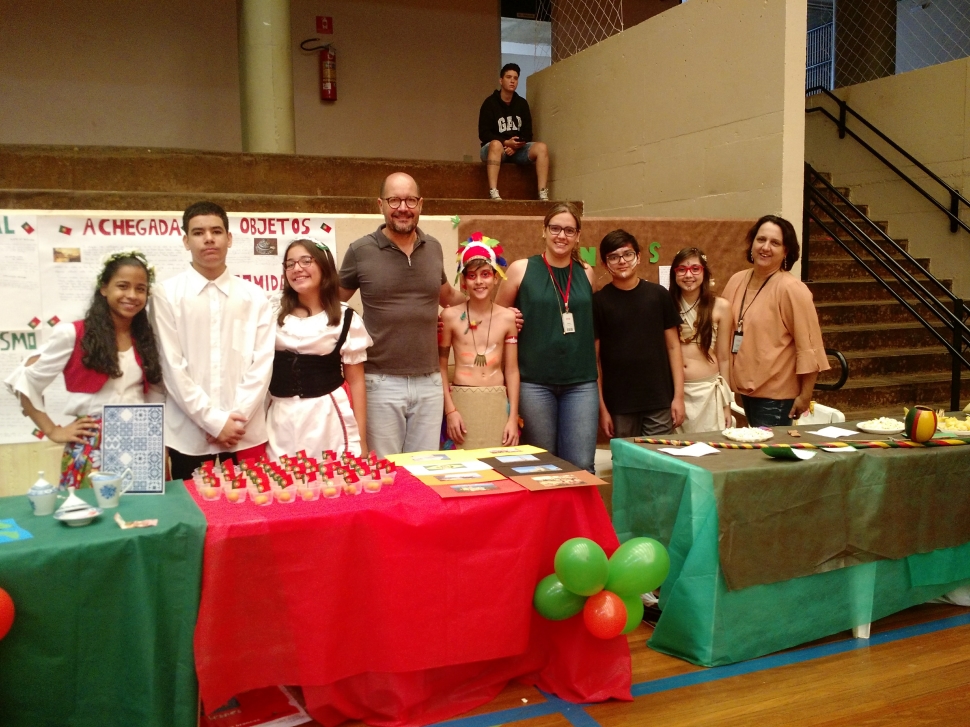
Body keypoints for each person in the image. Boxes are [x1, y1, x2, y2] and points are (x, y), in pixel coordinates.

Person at [5, 250, 163, 489]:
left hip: (139, 439)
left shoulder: (145, 337)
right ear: (103, 288)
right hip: (91, 444)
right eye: (122, 286)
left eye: (140, 289)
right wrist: (53, 430)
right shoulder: (73, 333)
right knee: (92, 519)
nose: (132, 295)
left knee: (139, 518)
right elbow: (24, 380)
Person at [339, 172, 466, 457]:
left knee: (425, 474)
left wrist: (493, 305)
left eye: (410, 200)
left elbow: (448, 296)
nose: (403, 207)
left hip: (430, 382)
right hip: (380, 382)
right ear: (380, 205)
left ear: (420, 204)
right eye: (394, 200)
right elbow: (333, 303)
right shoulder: (360, 251)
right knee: (387, 473)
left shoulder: (432, 247)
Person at [151, 201, 275, 481]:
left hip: (244, 433)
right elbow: (171, 366)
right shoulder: (166, 295)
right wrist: (214, 422)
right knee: (194, 515)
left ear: (229, 238)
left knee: (250, 514)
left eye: (216, 231)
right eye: (198, 232)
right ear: (185, 240)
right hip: (190, 434)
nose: (208, 238)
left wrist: (233, 421)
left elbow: (263, 363)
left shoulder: (255, 296)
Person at [495, 202, 598, 472]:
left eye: (568, 230)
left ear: (577, 236)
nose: (561, 236)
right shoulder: (521, 269)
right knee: (542, 465)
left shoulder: (587, 273)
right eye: (555, 228)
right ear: (544, 231)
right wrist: (509, 318)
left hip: (580, 383)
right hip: (534, 383)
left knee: (582, 464)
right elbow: (496, 318)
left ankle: (580, 516)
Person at [267, 237, 373, 461]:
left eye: (306, 261)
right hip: (280, 415)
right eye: (290, 263)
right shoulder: (271, 310)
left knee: (328, 484)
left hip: (326, 417)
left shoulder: (345, 318)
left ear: (324, 268)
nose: (297, 269)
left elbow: (356, 381)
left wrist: (361, 440)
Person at [722, 214, 829, 427]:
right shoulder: (736, 280)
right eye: (761, 239)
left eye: (775, 243)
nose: (765, 247)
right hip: (744, 390)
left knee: (766, 455)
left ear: (786, 251)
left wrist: (805, 396)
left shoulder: (791, 289)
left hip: (776, 397)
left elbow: (809, 347)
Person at [594, 230, 685, 438]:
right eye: (613, 257)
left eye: (627, 254)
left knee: (660, 461)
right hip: (619, 405)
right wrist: (602, 409)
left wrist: (678, 397)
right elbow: (594, 359)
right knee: (628, 463)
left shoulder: (658, 295)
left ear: (638, 257)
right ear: (605, 263)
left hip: (659, 400)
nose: (622, 261)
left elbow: (673, 346)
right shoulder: (598, 302)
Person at [439, 236, 520, 448]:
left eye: (485, 274)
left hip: (496, 401)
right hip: (462, 403)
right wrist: (450, 411)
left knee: (500, 469)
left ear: (495, 278)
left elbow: (511, 370)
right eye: (472, 276)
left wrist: (512, 418)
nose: (479, 282)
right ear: (463, 281)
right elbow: (439, 367)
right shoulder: (450, 317)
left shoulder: (508, 318)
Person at [670, 247, 734, 433]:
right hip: (676, 392)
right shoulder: (666, 304)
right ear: (674, 273)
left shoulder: (721, 307)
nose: (688, 275)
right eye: (682, 269)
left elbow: (724, 358)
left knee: (711, 453)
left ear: (704, 272)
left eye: (695, 269)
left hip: (708, 391)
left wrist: (726, 405)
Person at [478, 63, 550, 202]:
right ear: (501, 80)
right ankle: (493, 191)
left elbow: (528, 133)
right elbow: (484, 133)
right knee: (495, 144)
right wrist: (506, 143)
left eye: (515, 78)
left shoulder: (522, 104)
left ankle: (542, 192)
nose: (512, 81)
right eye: (508, 77)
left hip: (517, 149)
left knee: (542, 148)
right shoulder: (489, 103)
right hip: (494, 150)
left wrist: (516, 146)